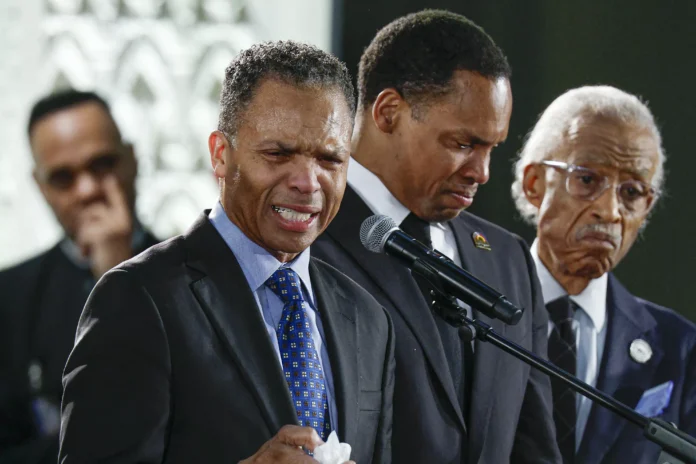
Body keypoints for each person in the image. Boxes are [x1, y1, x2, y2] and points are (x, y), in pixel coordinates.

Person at [58, 41, 395, 464]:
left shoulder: (369, 319)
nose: (308, 182)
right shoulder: (138, 299)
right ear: (221, 155)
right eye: (278, 154)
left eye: (330, 159)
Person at [313, 10, 560, 464]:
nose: (482, 173)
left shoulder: (508, 260)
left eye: (492, 148)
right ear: (389, 113)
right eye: (463, 144)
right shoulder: (304, 242)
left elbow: (534, 447)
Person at [512, 85, 696, 464]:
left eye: (632, 192)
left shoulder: (681, 349)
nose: (610, 211)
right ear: (534, 184)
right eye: (587, 179)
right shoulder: (470, 309)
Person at [0, 90, 159, 464]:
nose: (87, 190)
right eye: (63, 178)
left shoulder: (203, 276)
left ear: (132, 160)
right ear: (41, 187)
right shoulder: (10, 298)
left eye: (102, 164)